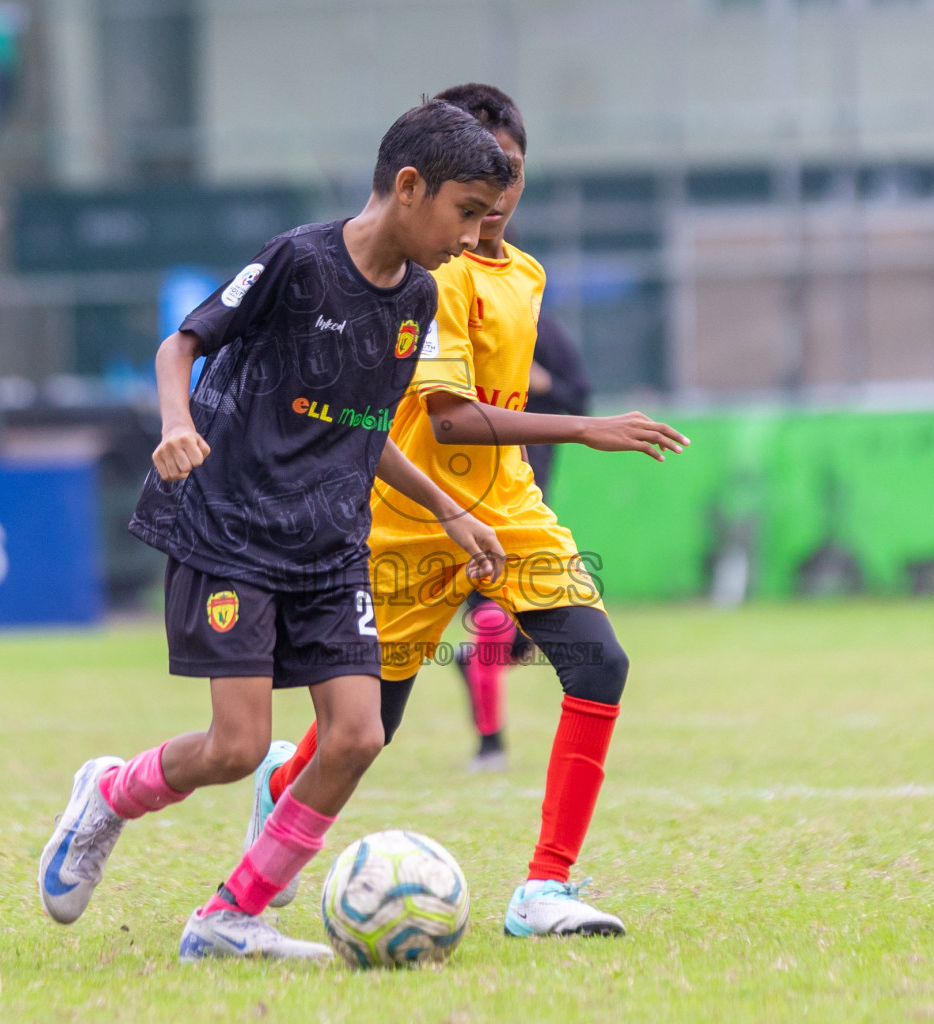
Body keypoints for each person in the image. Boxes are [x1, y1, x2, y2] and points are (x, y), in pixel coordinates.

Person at [35, 99, 514, 962]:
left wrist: (449, 511)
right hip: (232, 526)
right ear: (409, 188)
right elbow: (178, 347)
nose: (475, 236)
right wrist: (175, 425)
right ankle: (108, 793)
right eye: (466, 212)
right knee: (237, 746)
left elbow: (360, 430)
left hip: (329, 542)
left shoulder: (416, 296)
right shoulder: (297, 261)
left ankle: (229, 917)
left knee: (359, 735)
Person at [250, 84, 689, 938]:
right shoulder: (426, 277)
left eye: (511, 176)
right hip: (413, 518)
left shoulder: (524, 274)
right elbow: (447, 415)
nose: (494, 200)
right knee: (368, 731)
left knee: (598, 664)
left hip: (511, 512)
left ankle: (543, 891)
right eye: (477, 185)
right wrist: (586, 428)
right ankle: (278, 788)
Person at [457, 308, 592, 770]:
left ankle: (477, 664)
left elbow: (580, 398)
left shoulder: (542, 330)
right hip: (463, 502)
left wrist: (543, 384)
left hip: (528, 503)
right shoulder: (452, 328)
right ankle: (490, 745)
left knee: (511, 637)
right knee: (492, 622)